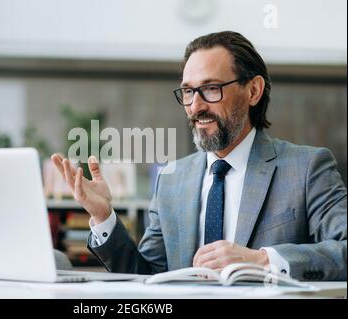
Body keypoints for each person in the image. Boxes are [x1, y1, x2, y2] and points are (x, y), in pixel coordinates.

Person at [51, 31, 347, 281]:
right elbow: (147, 277)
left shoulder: (307, 167)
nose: (195, 106)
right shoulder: (171, 179)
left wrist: (262, 260)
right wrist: (104, 218)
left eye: (211, 88)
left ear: (253, 91)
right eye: (188, 92)